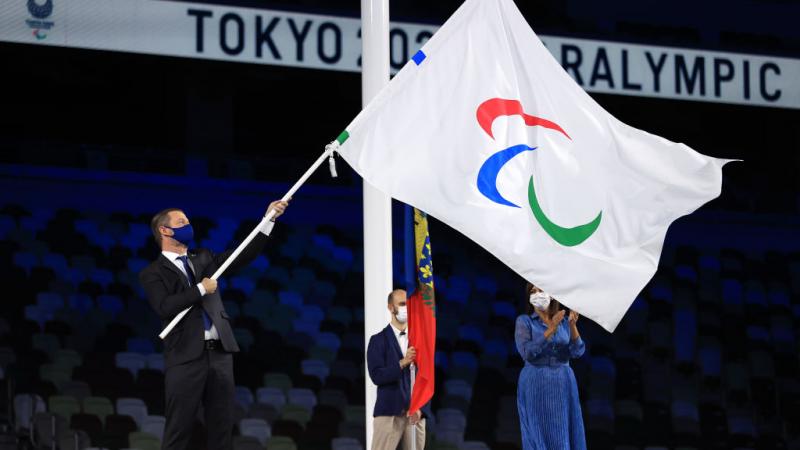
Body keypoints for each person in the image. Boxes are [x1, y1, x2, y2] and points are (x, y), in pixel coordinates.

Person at [139, 201, 288, 450]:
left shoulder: (204, 258)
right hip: (185, 357)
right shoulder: (152, 272)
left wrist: (268, 219)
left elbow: (241, 255)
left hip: (220, 354)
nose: (189, 226)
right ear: (164, 231)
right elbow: (164, 306)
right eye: (181, 223)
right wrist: (200, 288)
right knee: (179, 428)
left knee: (222, 428)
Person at [515, 282, 586, 450]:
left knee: (565, 434)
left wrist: (573, 326)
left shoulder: (563, 323)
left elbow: (577, 352)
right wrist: (549, 330)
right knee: (539, 432)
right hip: (537, 380)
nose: (537, 294)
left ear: (551, 295)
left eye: (541, 290)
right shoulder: (524, 321)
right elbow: (527, 352)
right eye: (533, 291)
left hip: (563, 382)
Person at [367, 289, 432, 450]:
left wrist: (421, 406)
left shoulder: (419, 340)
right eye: (402, 304)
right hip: (389, 411)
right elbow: (377, 376)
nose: (406, 308)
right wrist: (402, 363)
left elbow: (427, 377)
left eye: (408, 304)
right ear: (391, 307)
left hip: (415, 414)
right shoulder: (378, 340)